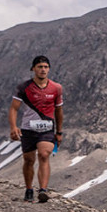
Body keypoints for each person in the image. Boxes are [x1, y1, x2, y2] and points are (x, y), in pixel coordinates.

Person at [8, 55, 64, 203]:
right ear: (33, 69)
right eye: (40, 67)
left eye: (46, 67)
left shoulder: (56, 88)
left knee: (44, 155)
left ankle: (43, 190)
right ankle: (28, 189)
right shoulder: (23, 87)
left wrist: (59, 131)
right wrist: (14, 127)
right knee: (28, 160)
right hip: (28, 129)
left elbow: (59, 111)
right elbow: (14, 108)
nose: (43, 70)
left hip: (47, 129)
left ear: (49, 69)